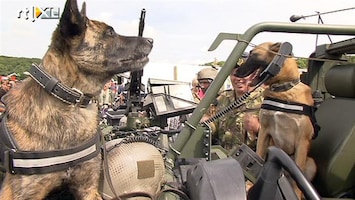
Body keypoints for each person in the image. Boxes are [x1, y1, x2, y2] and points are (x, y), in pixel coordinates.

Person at [202, 60, 264, 152]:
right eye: (235, 75)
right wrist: (208, 124)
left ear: (254, 75)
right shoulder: (223, 98)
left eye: (244, 74)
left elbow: (279, 138)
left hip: (251, 162)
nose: (239, 79)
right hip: (223, 158)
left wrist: (258, 129)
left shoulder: (265, 99)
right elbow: (215, 125)